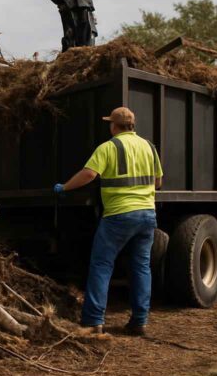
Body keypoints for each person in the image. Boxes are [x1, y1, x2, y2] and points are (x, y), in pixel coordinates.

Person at [53, 106, 162, 336]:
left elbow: (89, 174)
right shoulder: (149, 147)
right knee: (141, 267)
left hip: (119, 216)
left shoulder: (108, 147)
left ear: (114, 125)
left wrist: (65, 187)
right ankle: (139, 321)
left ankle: (93, 321)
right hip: (147, 214)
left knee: (102, 265)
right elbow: (158, 182)